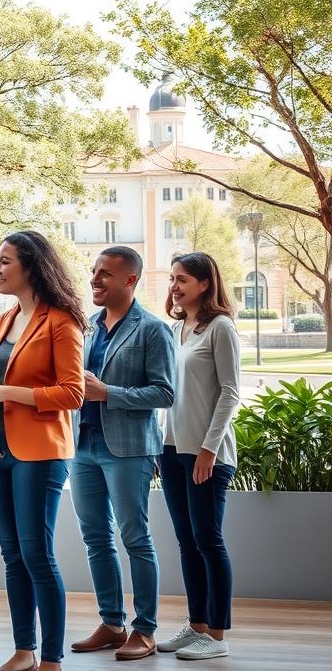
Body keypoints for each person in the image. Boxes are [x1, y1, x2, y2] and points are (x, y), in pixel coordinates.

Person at [0, 230, 85, 671]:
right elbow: (0, 384)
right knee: (12, 555)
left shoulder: (62, 321)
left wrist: (3, 392)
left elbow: (73, 392)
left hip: (40, 452)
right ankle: (24, 651)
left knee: (37, 554)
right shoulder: (9, 317)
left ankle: (50, 658)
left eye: (4, 261)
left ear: (31, 266)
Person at [68, 247, 175, 661]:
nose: (95, 280)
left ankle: (144, 630)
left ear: (130, 280)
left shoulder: (152, 329)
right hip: (83, 447)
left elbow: (164, 393)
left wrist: (106, 392)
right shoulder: (88, 328)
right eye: (94, 272)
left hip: (128, 449)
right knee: (95, 538)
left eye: (105, 274)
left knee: (135, 538)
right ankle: (112, 624)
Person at [156, 251, 240, 661]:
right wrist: (162, 445)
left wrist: (209, 448)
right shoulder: (177, 329)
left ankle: (218, 637)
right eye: (173, 278)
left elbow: (230, 392)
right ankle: (197, 626)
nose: (174, 285)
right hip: (173, 449)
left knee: (209, 540)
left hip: (206, 452)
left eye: (183, 278)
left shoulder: (220, 328)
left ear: (205, 284)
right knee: (187, 542)